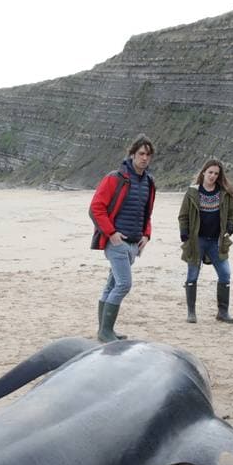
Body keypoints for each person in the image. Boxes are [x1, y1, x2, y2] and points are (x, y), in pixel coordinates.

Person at [88, 135, 156, 341]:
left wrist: (147, 235)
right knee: (124, 284)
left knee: (112, 284)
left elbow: (146, 212)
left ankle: (104, 331)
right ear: (132, 154)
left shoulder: (149, 182)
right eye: (141, 154)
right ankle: (106, 331)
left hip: (134, 244)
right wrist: (111, 233)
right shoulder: (115, 178)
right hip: (116, 242)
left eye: (148, 155)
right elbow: (95, 208)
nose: (144, 158)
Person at [177, 159, 233, 324]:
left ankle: (223, 313)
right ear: (203, 172)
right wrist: (184, 233)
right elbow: (183, 215)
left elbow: (232, 212)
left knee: (225, 274)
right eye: (210, 172)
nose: (212, 176)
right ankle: (191, 313)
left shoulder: (224, 193)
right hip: (197, 241)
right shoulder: (192, 192)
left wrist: (230, 227)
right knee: (192, 275)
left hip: (216, 242)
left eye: (216, 173)